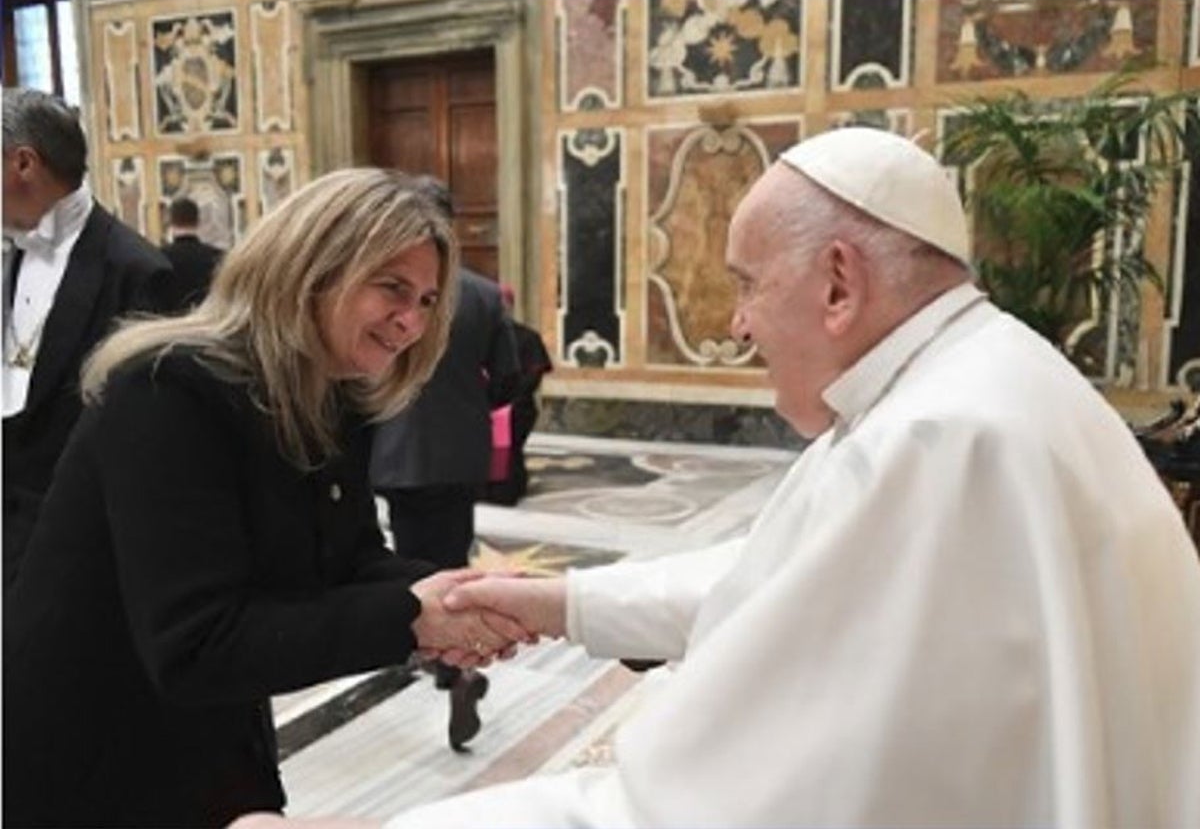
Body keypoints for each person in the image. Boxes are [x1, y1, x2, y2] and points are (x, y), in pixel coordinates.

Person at [234, 127, 1200, 828]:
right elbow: (778, 576)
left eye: (744, 282)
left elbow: (693, 807)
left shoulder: (943, 440)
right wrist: (558, 601)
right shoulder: (968, 386)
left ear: (836, 282)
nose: (736, 324)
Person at [2, 168, 530, 829]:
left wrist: (469, 599)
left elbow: (352, 559)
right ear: (310, 268)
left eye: (427, 301)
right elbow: (197, 643)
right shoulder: (168, 392)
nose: (412, 322)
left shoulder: (328, 395)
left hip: (209, 738)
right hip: (89, 755)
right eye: (392, 288)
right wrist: (412, 619)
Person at [369, 176, 519, 750]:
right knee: (453, 558)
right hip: (458, 451)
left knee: (409, 559)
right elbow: (508, 374)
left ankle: (438, 658)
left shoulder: (385, 291)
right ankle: (455, 662)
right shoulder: (481, 294)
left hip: (395, 448)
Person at [2, 86, 172, 591]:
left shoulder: (137, 272)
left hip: (79, 543)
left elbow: (142, 437)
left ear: (23, 163)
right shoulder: (13, 251)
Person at [482, 283, 552, 506]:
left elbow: (535, 371)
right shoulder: (479, 336)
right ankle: (484, 489)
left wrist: (511, 398)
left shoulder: (528, 337)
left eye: (503, 304)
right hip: (482, 405)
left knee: (511, 450)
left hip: (517, 406)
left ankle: (508, 490)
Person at [161, 194, 224, 310]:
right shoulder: (219, 258)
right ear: (198, 221)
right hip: (207, 324)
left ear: (170, 221)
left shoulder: (158, 258)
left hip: (171, 325)